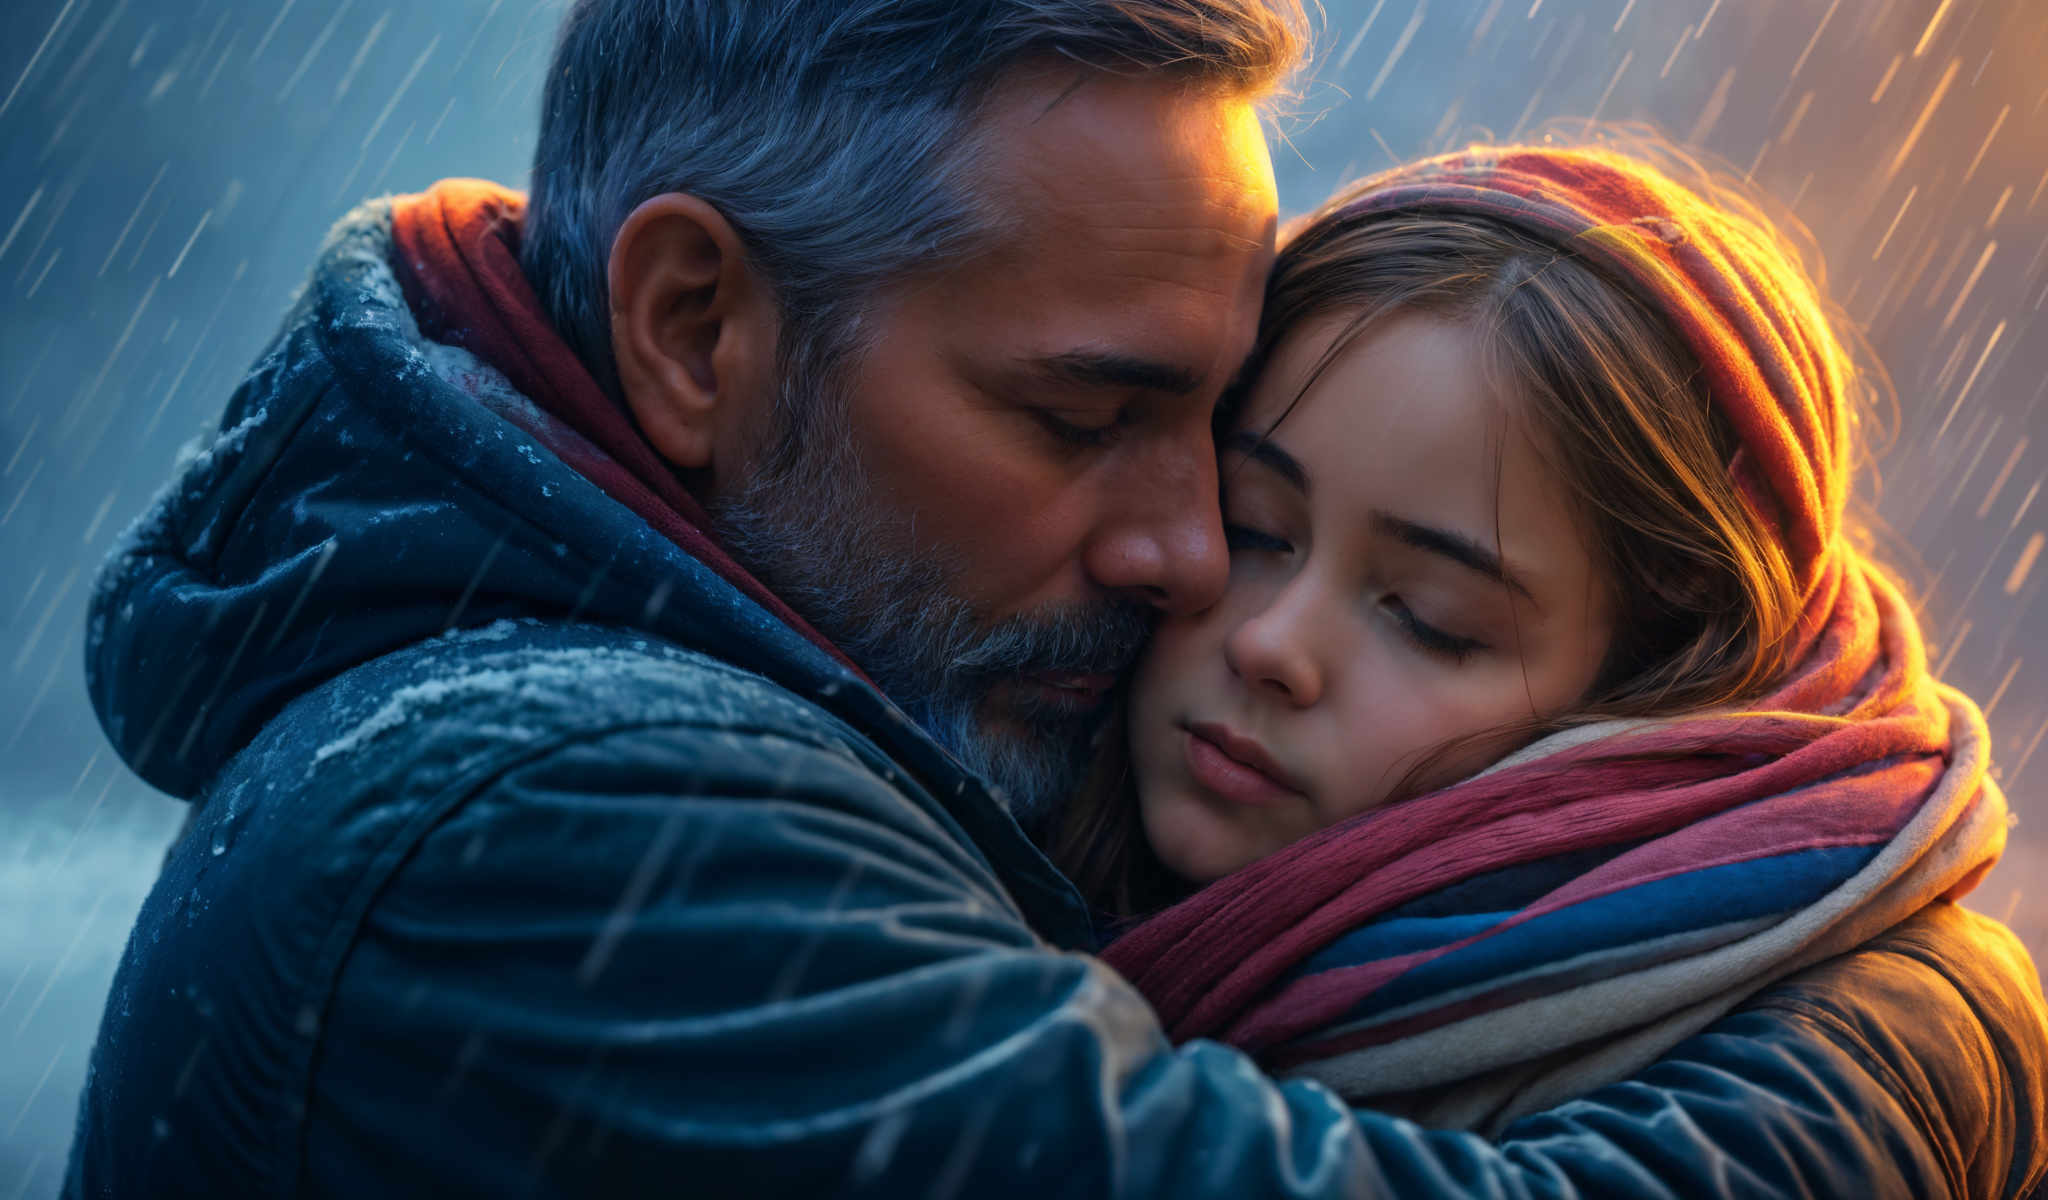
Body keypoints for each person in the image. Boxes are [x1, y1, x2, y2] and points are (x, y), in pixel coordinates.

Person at [65, 1, 2045, 1195]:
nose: (1190, 562)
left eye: (1211, 429)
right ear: (693, 331)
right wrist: (1921, 1016)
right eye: (1082, 412)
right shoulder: (547, 837)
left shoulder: (886, 711)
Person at [1054, 142, 2048, 1149]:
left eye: (1431, 618)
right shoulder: (971, 750)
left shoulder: (1791, 1074)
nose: (1271, 642)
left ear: (1649, 680)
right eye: (1253, 524)